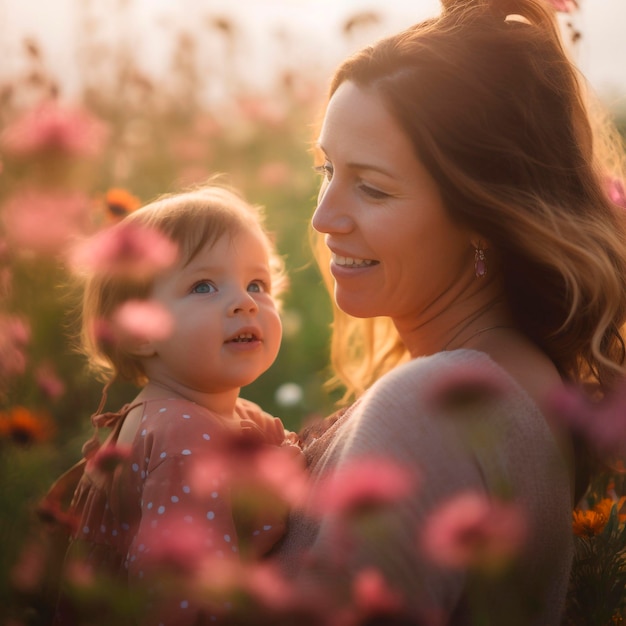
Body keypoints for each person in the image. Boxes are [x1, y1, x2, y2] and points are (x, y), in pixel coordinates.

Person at [276, 0, 626, 624]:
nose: (323, 216)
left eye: (373, 187)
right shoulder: (519, 383)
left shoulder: (436, 404)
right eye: (327, 169)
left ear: (483, 216)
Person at [45, 184, 300, 625]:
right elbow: (181, 596)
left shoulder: (216, 414)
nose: (244, 303)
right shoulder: (182, 436)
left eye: (256, 284)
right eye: (203, 286)